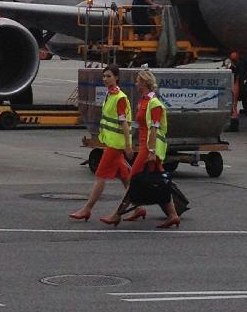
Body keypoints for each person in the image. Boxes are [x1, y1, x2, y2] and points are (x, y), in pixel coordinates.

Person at [99, 69, 181, 229]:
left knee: (133, 180)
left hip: (150, 149)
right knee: (160, 182)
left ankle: (117, 214)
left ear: (144, 83)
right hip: (145, 146)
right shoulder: (143, 101)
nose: (136, 83)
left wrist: (151, 152)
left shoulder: (154, 104)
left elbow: (154, 129)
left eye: (138, 81)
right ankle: (172, 214)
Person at [69, 65, 133, 221]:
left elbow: (124, 123)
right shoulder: (110, 95)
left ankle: (87, 209)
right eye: (104, 76)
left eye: (109, 76)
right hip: (110, 142)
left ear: (116, 78)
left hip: (116, 144)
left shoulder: (119, 98)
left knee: (100, 176)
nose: (105, 79)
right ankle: (138, 208)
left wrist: (128, 146)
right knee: (126, 178)